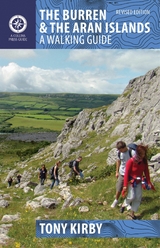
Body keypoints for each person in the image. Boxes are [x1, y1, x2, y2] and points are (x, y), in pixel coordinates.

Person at [121, 144, 152, 219]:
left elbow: (146, 172)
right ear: (137, 153)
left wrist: (148, 182)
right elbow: (126, 173)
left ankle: (132, 213)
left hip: (139, 182)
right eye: (142, 154)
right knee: (131, 196)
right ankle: (124, 204)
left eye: (144, 153)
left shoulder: (144, 162)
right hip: (131, 181)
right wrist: (125, 185)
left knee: (138, 197)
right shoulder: (130, 161)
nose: (143, 155)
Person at [111, 141, 135, 208]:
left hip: (130, 174)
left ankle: (127, 202)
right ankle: (116, 200)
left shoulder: (132, 152)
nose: (120, 151)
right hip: (122, 173)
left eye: (121, 150)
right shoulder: (119, 153)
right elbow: (118, 161)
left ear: (124, 147)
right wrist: (117, 171)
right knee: (119, 187)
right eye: (119, 150)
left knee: (129, 188)